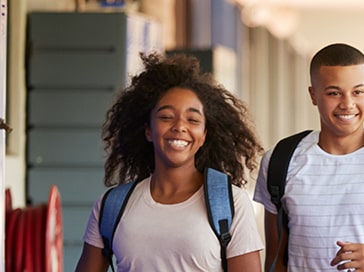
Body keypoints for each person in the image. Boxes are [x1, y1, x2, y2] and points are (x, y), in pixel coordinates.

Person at [75, 53, 264, 271]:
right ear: (147, 130)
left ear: (203, 135)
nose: (179, 126)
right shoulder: (111, 206)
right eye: (166, 117)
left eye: (192, 119)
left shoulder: (230, 204)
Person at [253, 43, 364, 271]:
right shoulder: (281, 160)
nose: (347, 104)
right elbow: (276, 261)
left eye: (357, 92)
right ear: (313, 94)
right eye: (334, 93)